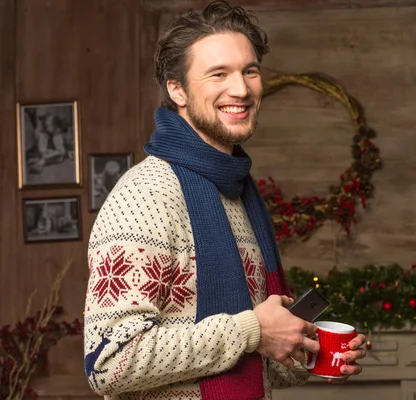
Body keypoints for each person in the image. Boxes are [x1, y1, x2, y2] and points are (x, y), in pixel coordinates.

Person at [83, 1, 367, 399]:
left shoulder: (238, 192)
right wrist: (251, 330)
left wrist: (307, 346)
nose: (241, 89)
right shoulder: (145, 196)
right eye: (218, 74)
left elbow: (254, 352)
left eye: (249, 71)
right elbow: (109, 364)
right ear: (176, 89)